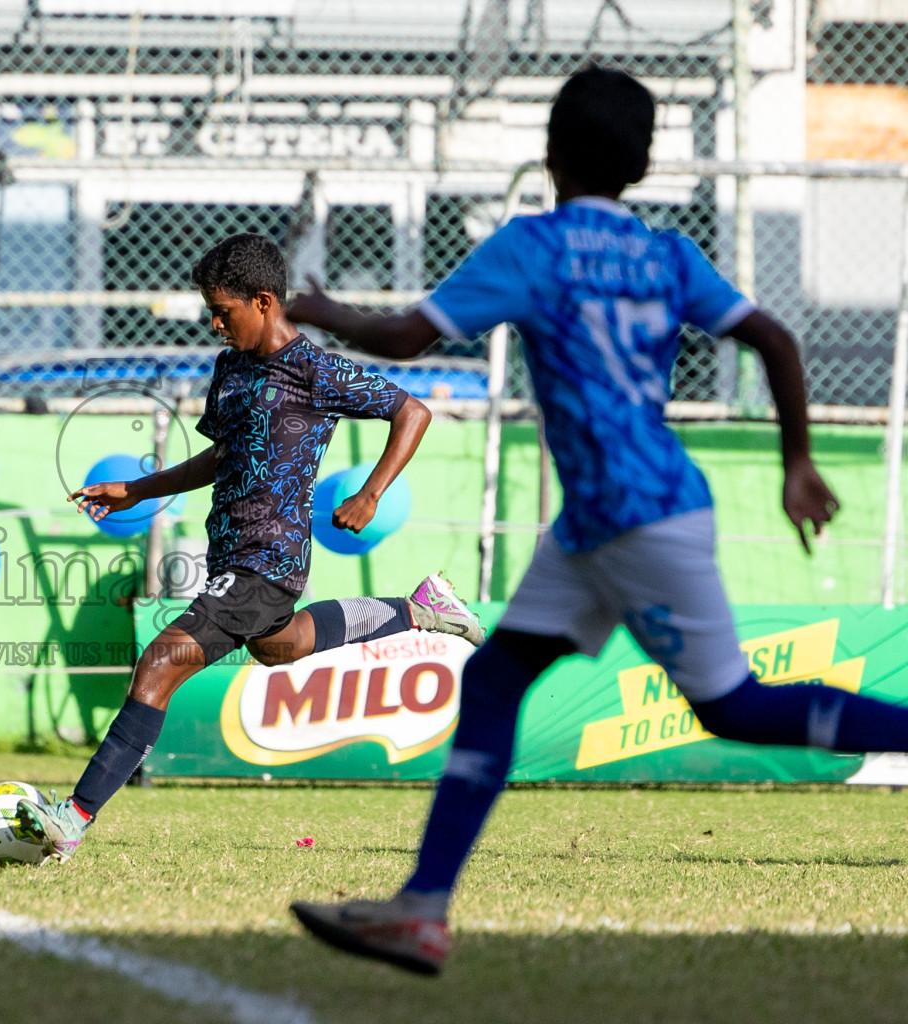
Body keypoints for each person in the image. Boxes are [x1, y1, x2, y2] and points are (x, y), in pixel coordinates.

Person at [280, 65, 908, 976]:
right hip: (621, 516)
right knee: (495, 680)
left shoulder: (534, 247)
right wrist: (797, 464)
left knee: (731, 708)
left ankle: (421, 907)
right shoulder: (667, 256)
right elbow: (774, 337)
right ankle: (420, 908)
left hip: (630, 518)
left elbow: (409, 336)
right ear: (644, 164)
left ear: (550, 152)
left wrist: (322, 310)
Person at [16, 231, 485, 862]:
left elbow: (413, 412)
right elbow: (222, 455)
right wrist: (138, 489)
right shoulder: (231, 367)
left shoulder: (315, 368)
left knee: (160, 661)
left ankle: (71, 818)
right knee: (277, 647)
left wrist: (371, 493)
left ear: (263, 302)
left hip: (269, 558)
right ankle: (419, 607)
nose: (213, 323)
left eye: (223, 310)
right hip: (230, 553)